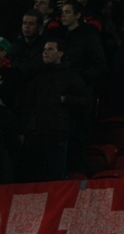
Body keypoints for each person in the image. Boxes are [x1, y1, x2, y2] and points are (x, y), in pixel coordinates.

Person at [19, 38, 90, 182]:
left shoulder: (70, 77)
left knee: (56, 175)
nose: (45, 52)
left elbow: (85, 100)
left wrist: (65, 99)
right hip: (35, 132)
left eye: (50, 49)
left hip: (57, 131)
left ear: (60, 54)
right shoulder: (36, 78)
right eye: (44, 49)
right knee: (32, 176)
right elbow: (26, 106)